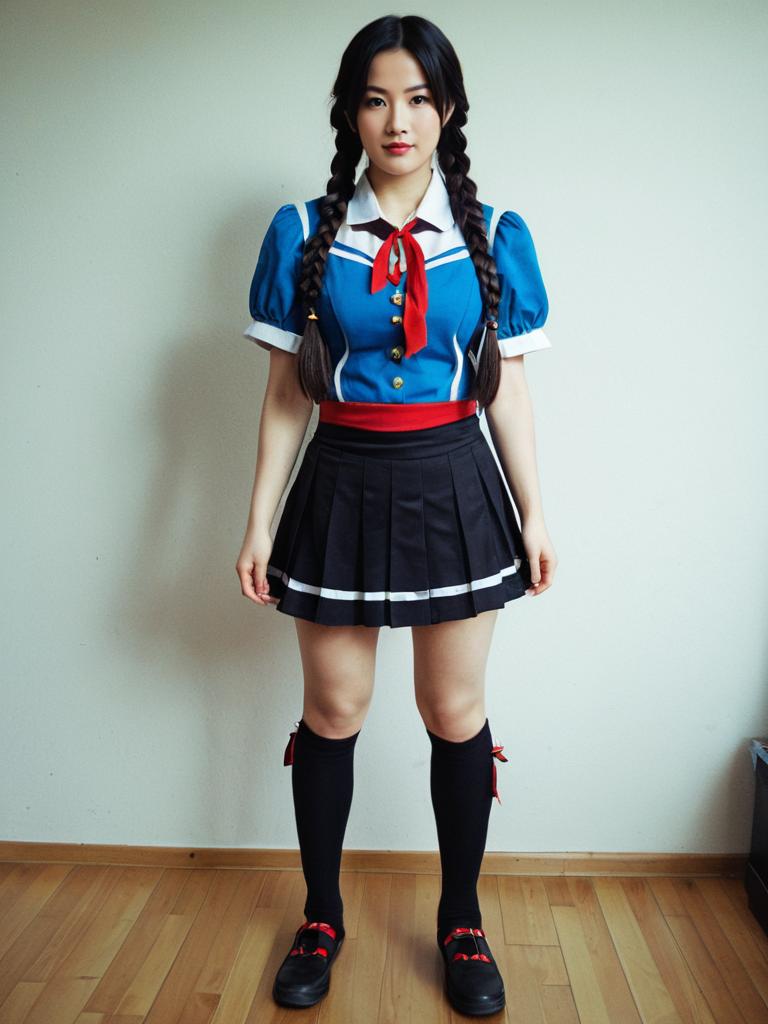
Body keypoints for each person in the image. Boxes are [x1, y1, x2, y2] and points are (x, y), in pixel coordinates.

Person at [235, 14, 558, 1016]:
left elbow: (506, 391)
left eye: (418, 98)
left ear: (447, 109)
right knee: (333, 711)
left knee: (454, 712)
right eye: (376, 100)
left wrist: (535, 514)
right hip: (339, 479)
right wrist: (257, 522)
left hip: (454, 481)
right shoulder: (301, 230)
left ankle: (461, 920)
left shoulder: (495, 233)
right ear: (351, 113)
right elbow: (287, 394)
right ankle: (321, 916)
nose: (398, 120)